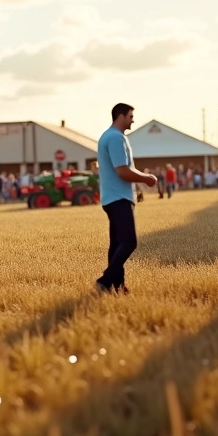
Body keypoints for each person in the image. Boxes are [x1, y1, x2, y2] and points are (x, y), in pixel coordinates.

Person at [96, 103, 157, 294]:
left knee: (117, 243)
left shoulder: (110, 136)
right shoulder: (115, 138)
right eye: (131, 116)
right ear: (121, 116)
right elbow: (122, 171)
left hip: (111, 197)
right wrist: (146, 179)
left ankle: (117, 286)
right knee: (129, 242)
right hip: (118, 197)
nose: (133, 120)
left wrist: (139, 181)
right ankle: (105, 281)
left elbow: (126, 168)